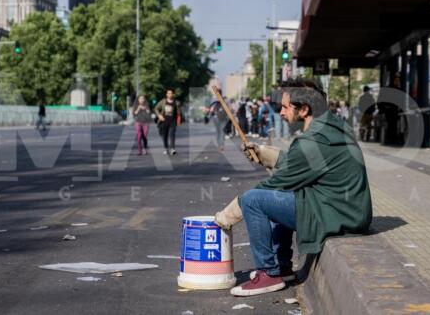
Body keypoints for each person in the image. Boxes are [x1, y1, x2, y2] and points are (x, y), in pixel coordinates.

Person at [214, 79, 372, 297]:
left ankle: (269, 274)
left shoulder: (313, 141)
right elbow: (304, 166)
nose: (280, 112)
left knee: (254, 199)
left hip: (335, 213)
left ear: (304, 109)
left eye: (286, 107)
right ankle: (282, 266)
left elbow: (279, 182)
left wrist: (229, 213)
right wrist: (265, 154)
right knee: (281, 195)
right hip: (349, 210)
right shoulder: (333, 126)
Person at [155, 89, 183, 155]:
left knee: (172, 134)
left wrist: (179, 119)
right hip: (164, 121)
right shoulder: (163, 101)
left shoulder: (176, 102)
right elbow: (156, 108)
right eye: (168, 93)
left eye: (171, 93)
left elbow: (179, 112)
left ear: (173, 94)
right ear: (166, 94)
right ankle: (166, 148)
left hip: (172, 121)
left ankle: (172, 148)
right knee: (165, 135)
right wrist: (159, 115)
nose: (170, 95)